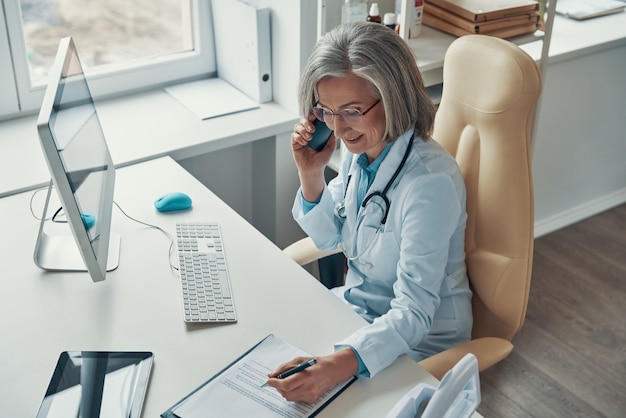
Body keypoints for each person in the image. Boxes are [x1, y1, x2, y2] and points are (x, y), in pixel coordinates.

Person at [266, 22, 472, 403]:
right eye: (326, 111)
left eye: (352, 111)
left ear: (393, 97)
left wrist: (336, 365)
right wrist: (310, 172)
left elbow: (413, 311)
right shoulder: (362, 156)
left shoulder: (429, 183)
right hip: (359, 314)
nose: (339, 128)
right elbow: (329, 238)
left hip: (421, 342)